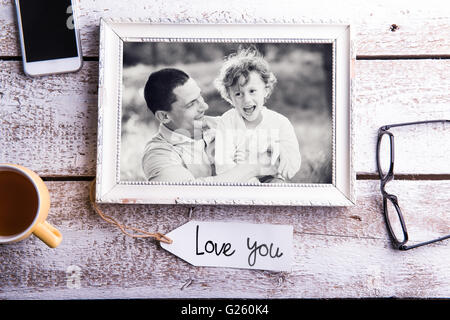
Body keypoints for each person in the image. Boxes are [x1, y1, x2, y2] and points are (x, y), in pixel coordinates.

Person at [141, 68, 275, 182]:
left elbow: (272, 165)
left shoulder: (222, 124)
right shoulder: (158, 155)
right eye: (191, 104)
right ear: (164, 116)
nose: (204, 106)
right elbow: (188, 195)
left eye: (200, 97)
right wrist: (252, 168)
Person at [213, 48, 301, 183]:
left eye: (252, 91)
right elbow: (223, 166)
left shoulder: (280, 122)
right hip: (239, 182)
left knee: (278, 186)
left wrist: (276, 150)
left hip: (272, 178)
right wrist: (251, 177)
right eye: (238, 94)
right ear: (229, 98)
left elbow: (292, 166)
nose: (247, 100)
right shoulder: (227, 122)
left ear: (265, 90)